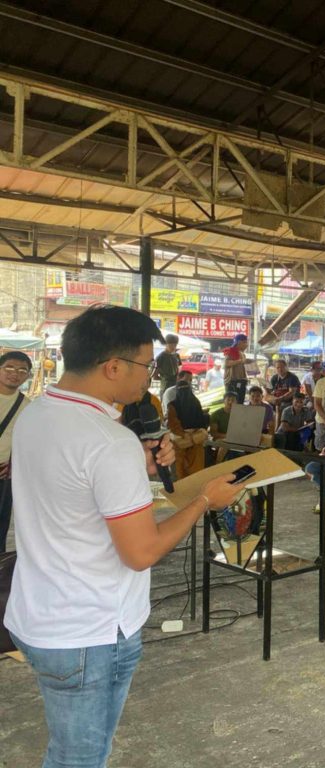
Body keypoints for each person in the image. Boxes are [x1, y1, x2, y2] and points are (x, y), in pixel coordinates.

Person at [3, 306, 239, 768]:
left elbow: (70, 487)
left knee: (69, 753)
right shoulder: (109, 443)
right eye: (146, 365)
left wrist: (139, 466)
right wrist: (203, 501)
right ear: (113, 366)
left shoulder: (37, 414)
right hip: (89, 633)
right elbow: (141, 552)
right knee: (81, 760)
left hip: (38, 615)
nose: (150, 377)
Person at [0, 351, 31, 552]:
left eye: (22, 370)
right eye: (9, 367)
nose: (15, 373)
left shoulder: (27, 406)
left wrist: (16, 467)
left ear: (28, 375)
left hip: (4, 477)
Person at [167, 371, 209, 478]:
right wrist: (190, 436)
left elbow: (173, 425)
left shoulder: (173, 405)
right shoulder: (194, 402)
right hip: (190, 439)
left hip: (183, 441)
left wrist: (186, 436)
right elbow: (174, 425)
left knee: (186, 472)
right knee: (189, 472)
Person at [222, 333, 250, 403]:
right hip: (233, 382)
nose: (247, 345)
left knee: (240, 403)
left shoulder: (243, 354)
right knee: (232, 402)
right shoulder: (232, 351)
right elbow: (226, 363)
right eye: (245, 342)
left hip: (242, 381)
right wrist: (240, 361)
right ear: (239, 342)